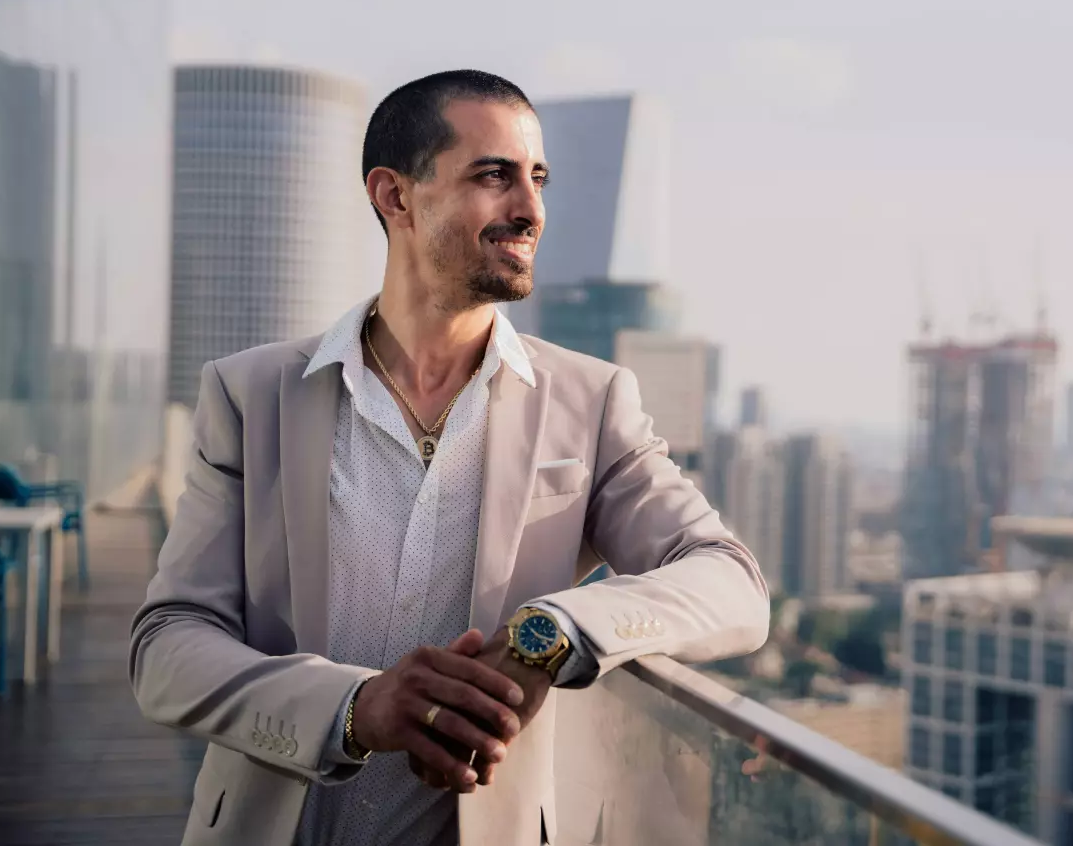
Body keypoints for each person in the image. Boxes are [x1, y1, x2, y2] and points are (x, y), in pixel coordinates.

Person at [130, 69, 770, 846]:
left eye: (537, 179)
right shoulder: (248, 393)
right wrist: (355, 709)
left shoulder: (592, 402)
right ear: (395, 197)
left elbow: (732, 583)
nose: (530, 209)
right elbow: (166, 646)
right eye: (493, 175)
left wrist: (556, 630)